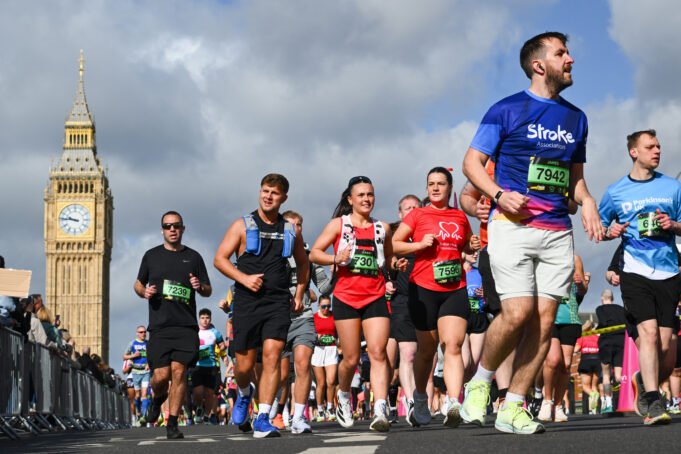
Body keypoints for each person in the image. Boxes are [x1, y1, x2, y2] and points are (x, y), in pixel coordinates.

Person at [460, 31, 603, 435]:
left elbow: (575, 180)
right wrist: (499, 195)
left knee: (544, 322)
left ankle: (514, 406)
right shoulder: (507, 109)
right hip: (512, 227)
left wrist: (588, 201)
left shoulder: (577, 117)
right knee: (518, 313)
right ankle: (481, 381)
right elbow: (472, 163)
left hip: (558, 231)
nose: (570, 58)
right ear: (539, 65)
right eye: (561, 53)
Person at [213, 174, 309, 438]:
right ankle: (244, 394)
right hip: (246, 302)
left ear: (283, 198)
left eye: (274, 193)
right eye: (265, 191)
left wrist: (299, 293)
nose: (268, 196)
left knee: (272, 357)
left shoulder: (289, 229)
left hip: (278, 302)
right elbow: (220, 259)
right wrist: (244, 278)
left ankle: (263, 417)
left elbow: (303, 263)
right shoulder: (242, 225)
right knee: (244, 367)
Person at [309, 175, 405, 432]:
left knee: (377, 352)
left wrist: (398, 265)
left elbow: (389, 259)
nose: (366, 199)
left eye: (370, 194)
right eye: (361, 195)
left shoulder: (382, 227)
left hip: (375, 296)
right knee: (350, 359)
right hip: (346, 297)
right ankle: (342, 397)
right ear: (350, 199)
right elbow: (314, 253)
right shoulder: (338, 225)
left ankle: (381, 408)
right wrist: (334, 258)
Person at [599, 129, 681, 425]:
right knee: (646, 335)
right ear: (634, 152)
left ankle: (641, 381)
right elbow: (599, 229)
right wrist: (611, 231)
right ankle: (654, 401)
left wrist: (673, 224)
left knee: (663, 346)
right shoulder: (616, 191)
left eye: (659, 146)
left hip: (669, 271)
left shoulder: (673, 187)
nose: (657, 150)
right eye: (650, 147)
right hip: (634, 271)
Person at [392, 167, 480, 428]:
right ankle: (420, 399)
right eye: (431, 184)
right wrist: (418, 245)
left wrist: (470, 246)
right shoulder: (418, 214)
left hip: (454, 287)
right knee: (427, 351)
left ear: (450, 188)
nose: (435, 188)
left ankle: (453, 402)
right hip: (424, 288)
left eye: (441, 183)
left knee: (452, 345)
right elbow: (395, 244)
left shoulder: (459, 216)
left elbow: (464, 244)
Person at [134, 210, 212, 439]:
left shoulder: (194, 257)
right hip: (159, 326)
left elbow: (208, 290)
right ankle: (158, 399)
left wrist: (199, 287)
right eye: (168, 226)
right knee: (160, 376)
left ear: (183, 228)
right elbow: (137, 284)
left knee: (179, 373)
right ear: (162, 229)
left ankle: (172, 424)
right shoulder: (151, 256)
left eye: (176, 225)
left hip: (185, 326)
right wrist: (144, 291)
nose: (172, 229)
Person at [269, 210, 334, 434]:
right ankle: (273, 412)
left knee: (304, 364)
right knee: (281, 374)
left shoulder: (308, 255)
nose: (296, 229)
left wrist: (335, 271)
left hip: (304, 317)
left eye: (299, 225)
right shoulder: (272, 254)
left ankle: (298, 417)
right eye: (291, 225)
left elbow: (324, 289)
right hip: (277, 318)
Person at [538, 255, 588, 422]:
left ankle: (558, 406)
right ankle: (546, 401)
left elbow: (582, 290)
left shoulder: (575, 258)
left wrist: (580, 283)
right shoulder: (541, 254)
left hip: (569, 317)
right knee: (553, 360)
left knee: (566, 365)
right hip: (547, 316)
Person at [386, 194, 421, 424]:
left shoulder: (429, 236)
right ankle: (410, 402)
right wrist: (387, 280)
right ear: (400, 214)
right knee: (407, 354)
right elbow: (382, 263)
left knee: (424, 355)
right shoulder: (392, 241)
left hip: (427, 300)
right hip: (401, 302)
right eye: (407, 208)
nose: (411, 211)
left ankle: (422, 399)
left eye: (415, 208)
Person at [595, 288, 627, 413]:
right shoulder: (620, 309)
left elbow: (603, 322)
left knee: (606, 375)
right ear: (613, 298)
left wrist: (596, 330)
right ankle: (624, 401)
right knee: (619, 376)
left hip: (606, 341)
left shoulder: (600, 309)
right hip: (620, 341)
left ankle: (609, 404)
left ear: (602, 298)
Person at [192, 308, 225, 424]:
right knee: (198, 392)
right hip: (197, 365)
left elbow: (221, 344)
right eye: (202, 318)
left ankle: (206, 415)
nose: (205, 320)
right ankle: (199, 407)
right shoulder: (194, 331)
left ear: (210, 319)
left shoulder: (215, 332)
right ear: (199, 319)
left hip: (211, 365)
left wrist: (223, 347)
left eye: (207, 318)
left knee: (211, 394)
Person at [312, 295, 339, 422]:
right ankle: (320, 410)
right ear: (318, 306)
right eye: (323, 306)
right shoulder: (314, 318)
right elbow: (311, 334)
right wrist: (318, 337)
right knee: (321, 383)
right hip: (318, 351)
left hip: (331, 349)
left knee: (331, 381)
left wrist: (337, 340)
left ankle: (330, 408)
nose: (326, 309)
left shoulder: (334, 316)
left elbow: (340, 333)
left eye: (328, 306)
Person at [123, 325, 151, 423]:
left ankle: (144, 416)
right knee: (137, 396)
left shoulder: (148, 343)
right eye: (141, 332)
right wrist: (134, 355)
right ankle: (138, 412)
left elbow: (152, 356)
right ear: (137, 333)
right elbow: (124, 356)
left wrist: (149, 364)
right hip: (135, 372)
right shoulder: (132, 343)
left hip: (145, 371)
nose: (143, 334)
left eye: (144, 332)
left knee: (144, 394)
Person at [575, 320, 601, 414]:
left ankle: (592, 395)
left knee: (586, 386)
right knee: (594, 386)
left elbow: (576, 349)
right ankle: (594, 410)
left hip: (586, 360)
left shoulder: (582, 337)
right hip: (597, 360)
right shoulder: (597, 337)